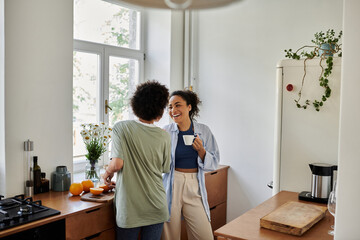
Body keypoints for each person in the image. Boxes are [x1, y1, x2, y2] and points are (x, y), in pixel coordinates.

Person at [102, 81, 171, 240]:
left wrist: (106, 174)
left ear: (135, 104)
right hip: (157, 205)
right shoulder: (164, 136)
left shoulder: (122, 127)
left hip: (130, 208)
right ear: (160, 111)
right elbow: (163, 168)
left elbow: (117, 164)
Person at [162, 90, 220, 240]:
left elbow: (214, 163)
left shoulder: (203, 131)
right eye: (169, 107)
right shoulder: (166, 132)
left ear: (189, 107)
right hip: (171, 184)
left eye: (177, 105)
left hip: (195, 184)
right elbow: (158, 162)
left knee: (205, 235)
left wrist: (201, 150)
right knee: (170, 236)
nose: (173, 110)